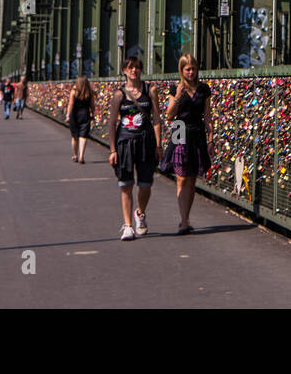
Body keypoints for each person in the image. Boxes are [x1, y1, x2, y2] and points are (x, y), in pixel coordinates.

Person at [107, 56, 163, 240]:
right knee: (126, 185)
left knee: (145, 185)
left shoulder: (150, 90)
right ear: (124, 71)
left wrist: (158, 144)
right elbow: (112, 122)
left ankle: (140, 213)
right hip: (125, 143)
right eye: (130, 68)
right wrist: (113, 149)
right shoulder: (119, 95)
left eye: (137, 67)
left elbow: (156, 118)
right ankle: (127, 225)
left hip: (146, 143)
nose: (134, 71)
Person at [163, 53, 213, 236]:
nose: (191, 72)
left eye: (193, 69)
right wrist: (177, 96)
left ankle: (186, 218)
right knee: (181, 177)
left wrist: (211, 139)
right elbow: (169, 115)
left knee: (191, 178)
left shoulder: (204, 89)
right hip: (179, 128)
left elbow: (207, 115)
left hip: (196, 130)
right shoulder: (175, 88)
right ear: (182, 70)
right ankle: (184, 221)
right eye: (187, 69)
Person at [67, 76, 96, 162]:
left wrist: (68, 115)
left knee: (74, 136)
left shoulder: (74, 92)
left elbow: (70, 104)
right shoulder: (89, 93)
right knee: (83, 136)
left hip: (74, 115)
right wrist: (93, 114)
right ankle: (81, 156)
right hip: (85, 115)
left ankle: (75, 155)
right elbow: (92, 106)